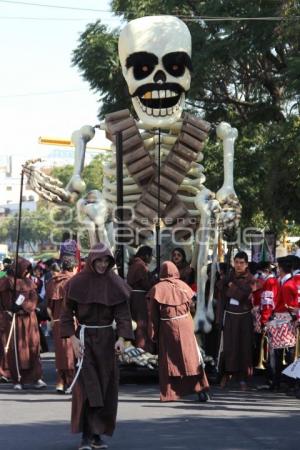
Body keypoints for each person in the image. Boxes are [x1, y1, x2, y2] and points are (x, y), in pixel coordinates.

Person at [60, 243, 134, 450]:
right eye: (98, 260)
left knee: (105, 387)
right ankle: (86, 435)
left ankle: (96, 434)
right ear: (91, 261)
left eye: (105, 261)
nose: (102, 264)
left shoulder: (115, 283)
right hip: (84, 340)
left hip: (107, 341)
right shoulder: (77, 283)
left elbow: (123, 315)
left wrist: (121, 338)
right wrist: (73, 340)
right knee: (87, 388)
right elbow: (66, 315)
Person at [147, 261, 209, 402]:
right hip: (186, 324)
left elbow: (153, 315)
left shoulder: (157, 289)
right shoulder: (184, 286)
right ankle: (200, 388)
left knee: (169, 360)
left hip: (168, 327)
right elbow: (191, 305)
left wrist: (154, 333)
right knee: (191, 358)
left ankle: (170, 394)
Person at [0, 257, 46, 390]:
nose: (26, 272)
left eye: (28, 269)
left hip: (29, 321)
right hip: (12, 320)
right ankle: (17, 380)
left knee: (33, 348)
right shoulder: (4, 283)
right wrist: (9, 309)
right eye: (24, 269)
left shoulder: (29, 283)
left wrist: (22, 306)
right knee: (15, 350)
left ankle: (36, 378)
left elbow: (34, 299)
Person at [218, 251, 255, 390]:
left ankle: (243, 378)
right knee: (229, 346)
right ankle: (226, 375)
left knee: (244, 347)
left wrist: (231, 286)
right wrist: (223, 281)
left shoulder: (251, 278)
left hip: (244, 317)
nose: (238, 265)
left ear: (246, 264)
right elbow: (220, 291)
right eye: (236, 262)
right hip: (230, 316)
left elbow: (243, 295)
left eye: (241, 263)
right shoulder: (228, 276)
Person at [267, 257, 298, 392]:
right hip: (284, 319)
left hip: (284, 320)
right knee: (284, 352)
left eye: (278, 267)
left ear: (280, 268)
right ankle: (283, 381)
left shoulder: (287, 285)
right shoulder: (287, 283)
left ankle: (284, 381)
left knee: (283, 353)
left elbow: (292, 306)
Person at [46, 259, 76, 393]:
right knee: (71, 353)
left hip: (58, 321)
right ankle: (70, 382)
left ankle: (60, 382)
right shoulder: (75, 281)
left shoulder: (52, 282)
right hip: (74, 321)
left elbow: (48, 307)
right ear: (74, 267)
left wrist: (52, 320)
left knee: (61, 353)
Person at [126, 245, 156, 353]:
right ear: (146, 255)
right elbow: (145, 284)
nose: (151, 258)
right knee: (141, 324)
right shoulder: (140, 265)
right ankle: (142, 348)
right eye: (151, 256)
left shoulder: (135, 264)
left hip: (135, 298)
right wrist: (154, 280)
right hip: (139, 299)